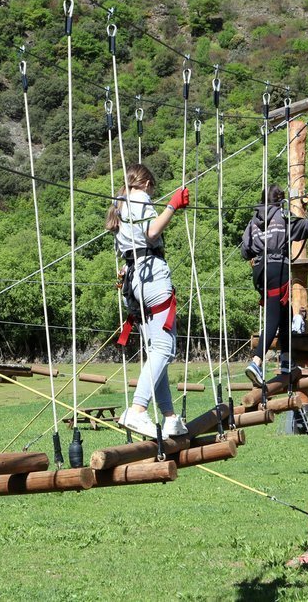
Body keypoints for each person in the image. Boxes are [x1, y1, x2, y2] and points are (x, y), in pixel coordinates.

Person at [107, 164, 189, 439]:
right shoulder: (140, 198)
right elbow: (152, 233)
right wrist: (172, 206)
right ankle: (138, 409)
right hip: (152, 275)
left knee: (156, 350)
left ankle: (169, 418)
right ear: (147, 183)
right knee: (164, 348)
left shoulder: (120, 205)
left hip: (134, 278)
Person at [240, 185, 308, 386]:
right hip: (277, 268)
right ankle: (257, 361)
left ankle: (286, 360)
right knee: (274, 317)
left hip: (260, 270)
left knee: (284, 311)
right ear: (280, 200)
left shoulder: (253, 222)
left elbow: (245, 251)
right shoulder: (284, 217)